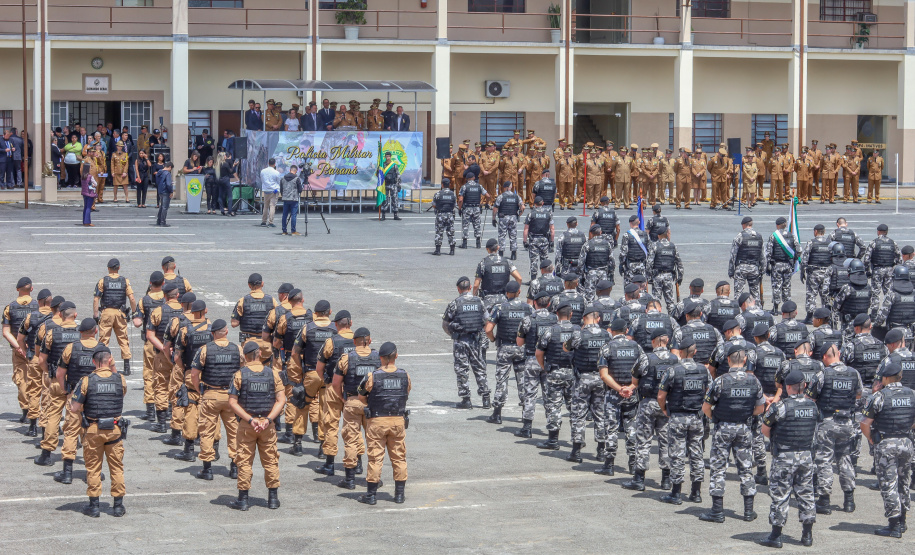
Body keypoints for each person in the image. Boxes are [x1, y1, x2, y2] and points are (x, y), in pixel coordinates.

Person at [699, 344, 765, 524]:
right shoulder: (754, 381)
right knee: (745, 468)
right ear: (744, 360)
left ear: (728, 360)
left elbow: (706, 407)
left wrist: (717, 417)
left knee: (718, 469)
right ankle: (749, 512)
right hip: (744, 428)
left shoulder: (721, 381)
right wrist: (744, 414)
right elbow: (760, 408)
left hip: (723, 428)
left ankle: (717, 511)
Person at [759, 369, 820, 548]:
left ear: (788, 387)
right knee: (807, 493)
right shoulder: (813, 406)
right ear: (805, 386)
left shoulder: (781, 406)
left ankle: (776, 536)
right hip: (806, 456)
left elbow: (765, 429)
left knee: (780, 495)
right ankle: (807, 536)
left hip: (785, 456)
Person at [68, 346, 128, 518]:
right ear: (110, 360)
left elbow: (74, 408)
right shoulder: (120, 379)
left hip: (93, 430)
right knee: (117, 468)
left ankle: (94, 506)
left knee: (93, 469)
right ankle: (118, 506)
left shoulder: (86, 380)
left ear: (94, 362)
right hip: (115, 430)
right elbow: (120, 395)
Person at [226, 341, 285, 511]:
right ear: (259, 353)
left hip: (247, 426)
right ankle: (273, 499)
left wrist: (251, 420)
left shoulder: (239, 374)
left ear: (245, 356)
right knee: (271, 461)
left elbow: (232, 402)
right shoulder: (272, 374)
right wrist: (268, 419)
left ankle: (243, 500)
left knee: (244, 461)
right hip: (268, 426)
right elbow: (281, 400)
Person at [805, 342, 862, 515]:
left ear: (824, 357)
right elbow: (859, 394)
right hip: (848, 423)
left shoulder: (823, 374)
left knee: (824, 460)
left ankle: (824, 500)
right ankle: (849, 500)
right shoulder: (854, 373)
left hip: (828, 422)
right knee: (845, 459)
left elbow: (810, 398)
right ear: (838, 353)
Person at [861, 361, 915, 538]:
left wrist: (871, 438)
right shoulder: (912, 394)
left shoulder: (879, 396)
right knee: (903, 483)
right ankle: (903, 521)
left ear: (885, 378)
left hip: (886, 445)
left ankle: (894, 526)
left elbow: (864, 422)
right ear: (900, 377)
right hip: (906, 442)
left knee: (889, 484)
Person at [623, 328, 677, 491]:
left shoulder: (646, 358)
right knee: (666, 441)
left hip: (648, 403)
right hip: (667, 404)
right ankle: (666, 479)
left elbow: (635, 379)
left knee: (643, 440)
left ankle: (639, 479)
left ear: (653, 341)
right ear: (667, 341)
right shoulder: (675, 359)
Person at [356, 341, 410, 505]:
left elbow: (361, 396)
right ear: (396, 356)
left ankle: (371, 496)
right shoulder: (404, 375)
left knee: (375, 459)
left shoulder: (372, 376)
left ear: (380, 358)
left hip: (377, 421)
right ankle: (399, 494)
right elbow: (406, 392)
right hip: (397, 421)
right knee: (399, 458)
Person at [658, 335, 710, 504]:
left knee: (677, 454)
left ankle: (676, 493)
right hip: (696, 417)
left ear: (680, 352)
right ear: (694, 352)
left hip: (678, 416)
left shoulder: (673, 370)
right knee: (696, 453)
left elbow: (661, 395)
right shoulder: (703, 370)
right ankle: (696, 493)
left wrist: (665, 409)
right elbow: (710, 393)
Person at [191, 319, 243, 481]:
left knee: (207, 431)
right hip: (231, 397)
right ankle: (235, 468)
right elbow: (243, 372)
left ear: (212, 334)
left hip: (210, 395)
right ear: (226, 332)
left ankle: (207, 469)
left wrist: (199, 389)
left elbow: (194, 374)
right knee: (234, 432)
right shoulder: (237, 349)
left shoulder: (205, 349)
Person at [595, 318, 642, 475]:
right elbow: (643, 372)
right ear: (626, 330)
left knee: (611, 429)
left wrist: (619, 389)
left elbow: (603, 375)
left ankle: (609, 465)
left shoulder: (607, 348)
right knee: (631, 428)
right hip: (632, 395)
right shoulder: (636, 347)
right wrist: (630, 388)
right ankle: (633, 464)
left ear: (611, 331)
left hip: (613, 395)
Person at [331, 326, 375, 488]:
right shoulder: (378, 358)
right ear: (369, 341)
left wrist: (342, 398)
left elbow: (336, 383)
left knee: (350, 439)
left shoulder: (347, 358)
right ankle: (372, 477)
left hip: (352, 401)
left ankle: (349, 479)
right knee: (373, 441)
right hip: (372, 404)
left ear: (354, 342)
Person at [290, 300, 336, 449]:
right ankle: (323, 446)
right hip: (328, 376)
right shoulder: (336, 329)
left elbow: (295, 352)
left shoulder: (307, 328)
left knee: (302, 405)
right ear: (329, 312)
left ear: (315, 313)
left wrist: (300, 370)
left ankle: (297, 443)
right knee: (325, 409)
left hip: (311, 373)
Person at [314, 310, 355, 476]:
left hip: (333, 386)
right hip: (353, 391)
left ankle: (330, 464)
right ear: (350, 323)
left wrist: (326, 380)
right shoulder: (359, 341)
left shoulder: (331, 341)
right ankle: (357, 463)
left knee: (330, 424)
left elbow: (319, 367)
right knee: (354, 427)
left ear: (336, 325)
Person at [484, 282, 530, 424]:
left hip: (504, 348)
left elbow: (488, 329)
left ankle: (497, 414)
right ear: (519, 292)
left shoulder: (500, 308)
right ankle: (525, 413)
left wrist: (494, 339)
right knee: (523, 380)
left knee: (502, 380)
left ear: (506, 293)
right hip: (522, 348)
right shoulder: (527, 308)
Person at [514, 292, 558, 438]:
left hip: (532, 359)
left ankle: (527, 427)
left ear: (535, 303)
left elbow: (519, 343)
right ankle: (552, 428)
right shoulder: (555, 319)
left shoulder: (528, 320)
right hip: (549, 360)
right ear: (549, 304)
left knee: (530, 393)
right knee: (549, 395)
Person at [442, 276, 488, 409]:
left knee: (462, 369)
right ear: (469, 288)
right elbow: (486, 320)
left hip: (460, 341)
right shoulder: (479, 301)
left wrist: (454, 335)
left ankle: (466, 399)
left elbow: (445, 324)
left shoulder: (455, 303)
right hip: (475, 340)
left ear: (458, 289)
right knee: (479, 368)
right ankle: (486, 398)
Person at [93, 258, 137, 375]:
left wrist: (96, 315)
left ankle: (102, 365)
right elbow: (131, 298)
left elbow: (96, 299)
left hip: (106, 312)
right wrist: (134, 313)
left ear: (108, 268)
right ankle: (127, 367)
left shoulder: (103, 281)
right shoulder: (124, 281)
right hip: (120, 313)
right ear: (119, 268)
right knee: (123, 339)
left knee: (103, 340)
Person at [4, 277, 37, 425]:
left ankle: (26, 411)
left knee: (21, 380)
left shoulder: (9, 307)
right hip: (36, 349)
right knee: (38, 381)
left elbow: (6, 332)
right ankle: (38, 411)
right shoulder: (38, 306)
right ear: (31, 289)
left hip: (19, 351)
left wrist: (18, 347)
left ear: (18, 289)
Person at [800, 224, 833, 323]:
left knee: (811, 294)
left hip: (814, 273)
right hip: (827, 273)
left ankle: (810, 317)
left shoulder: (811, 242)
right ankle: (827, 316)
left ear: (815, 231)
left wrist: (802, 271)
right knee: (826, 295)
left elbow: (805, 258)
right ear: (824, 231)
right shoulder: (830, 243)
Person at [646, 225, 682, 313]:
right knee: (670, 302)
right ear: (666, 234)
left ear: (658, 236)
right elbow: (679, 263)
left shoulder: (655, 246)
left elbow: (649, 263)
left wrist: (649, 277)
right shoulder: (673, 246)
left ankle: (656, 319)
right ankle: (672, 320)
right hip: (669, 276)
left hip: (657, 276)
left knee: (656, 301)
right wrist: (680, 277)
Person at [728, 216, 765, 302]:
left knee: (738, 293)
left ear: (743, 225)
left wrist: (731, 270)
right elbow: (762, 255)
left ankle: (739, 312)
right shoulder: (759, 236)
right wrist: (763, 269)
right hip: (754, 268)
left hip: (741, 268)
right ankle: (756, 311)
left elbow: (733, 255)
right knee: (755, 294)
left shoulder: (740, 236)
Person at [765, 216, 798, 313]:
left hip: (777, 265)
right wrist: (794, 261)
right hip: (788, 265)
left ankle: (775, 308)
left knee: (776, 286)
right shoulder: (792, 236)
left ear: (777, 225)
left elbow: (768, 252)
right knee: (786, 286)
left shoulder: (773, 236)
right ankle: (787, 309)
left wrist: (767, 265)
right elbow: (798, 250)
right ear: (785, 225)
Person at [863, 224, 901, 296]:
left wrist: (867, 271)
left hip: (877, 269)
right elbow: (899, 259)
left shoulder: (874, 242)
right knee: (889, 292)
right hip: (890, 270)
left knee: (875, 292)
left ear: (878, 232)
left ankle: (875, 307)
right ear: (886, 232)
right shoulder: (893, 243)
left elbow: (867, 259)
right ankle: (888, 307)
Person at [493, 181, 523, 259]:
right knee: (513, 236)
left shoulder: (501, 196)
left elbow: (495, 208)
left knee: (502, 236)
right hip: (513, 218)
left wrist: (493, 218)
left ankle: (501, 253)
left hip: (503, 218)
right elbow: (522, 207)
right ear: (510, 187)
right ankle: (513, 254)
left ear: (505, 187)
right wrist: (518, 215)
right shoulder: (516, 196)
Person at [458, 170, 488, 248]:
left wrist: (459, 208)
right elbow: (488, 196)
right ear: (474, 178)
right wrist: (486, 203)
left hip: (467, 208)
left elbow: (460, 200)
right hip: (476, 208)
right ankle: (478, 243)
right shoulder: (479, 186)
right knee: (477, 225)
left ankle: (464, 244)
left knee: (465, 225)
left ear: (467, 179)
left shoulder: (464, 187)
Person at [619, 215, 650, 286]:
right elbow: (650, 251)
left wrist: (621, 264)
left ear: (630, 223)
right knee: (641, 288)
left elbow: (623, 253)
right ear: (639, 222)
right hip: (642, 265)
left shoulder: (627, 235)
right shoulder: (645, 235)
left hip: (630, 266)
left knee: (630, 288)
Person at [432, 178, 457, 256]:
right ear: (449, 184)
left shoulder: (438, 194)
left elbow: (433, 205)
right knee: (451, 232)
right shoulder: (453, 194)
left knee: (439, 232)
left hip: (440, 215)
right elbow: (454, 205)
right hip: (450, 214)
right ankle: (452, 250)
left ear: (442, 184)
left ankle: (438, 250)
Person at [280, 164, 303, 236]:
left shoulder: (283, 178)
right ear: (296, 171)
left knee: (284, 215)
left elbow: (281, 189)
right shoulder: (297, 179)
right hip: (294, 199)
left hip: (285, 199)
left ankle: (284, 231)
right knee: (293, 215)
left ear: (290, 170)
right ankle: (293, 231)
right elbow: (300, 190)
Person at [259, 158, 281, 228]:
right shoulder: (276, 172)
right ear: (274, 164)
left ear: (268, 163)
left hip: (266, 190)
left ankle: (263, 221)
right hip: (274, 190)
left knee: (265, 206)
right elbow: (278, 182)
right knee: (272, 206)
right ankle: (270, 222)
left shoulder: (263, 171)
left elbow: (262, 180)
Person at [380, 151, 402, 221]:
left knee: (394, 200)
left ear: (390, 157)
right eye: (387, 156)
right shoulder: (382, 165)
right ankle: (383, 215)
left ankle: (395, 215)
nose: (388, 157)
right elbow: (379, 175)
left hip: (393, 184)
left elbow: (398, 175)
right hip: (385, 184)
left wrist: (398, 185)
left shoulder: (394, 165)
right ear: (385, 157)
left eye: (389, 156)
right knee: (384, 200)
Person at [216, 151, 237, 216]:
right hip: (226, 180)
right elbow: (230, 171)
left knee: (220, 195)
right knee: (230, 195)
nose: (226, 156)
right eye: (225, 155)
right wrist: (233, 165)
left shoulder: (217, 164)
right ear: (223, 157)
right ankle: (230, 210)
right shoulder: (225, 164)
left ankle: (222, 210)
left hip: (219, 180)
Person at [155, 161, 174, 227]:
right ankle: (163, 222)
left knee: (161, 206)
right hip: (166, 191)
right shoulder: (167, 173)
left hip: (160, 190)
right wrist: (171, 191)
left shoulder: (159, 173)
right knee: (165, 207)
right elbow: (168, 184)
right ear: (170, 167)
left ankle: (159, 220)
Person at [80, 162, 97, 227]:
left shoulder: (83, 176)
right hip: (89, 193)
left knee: (85, 207)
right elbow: (95, 183)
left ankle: (84, 221)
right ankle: (87, 221)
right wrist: (93, 184)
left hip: (84, 193)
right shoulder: (90, 176)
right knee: (88, 208)